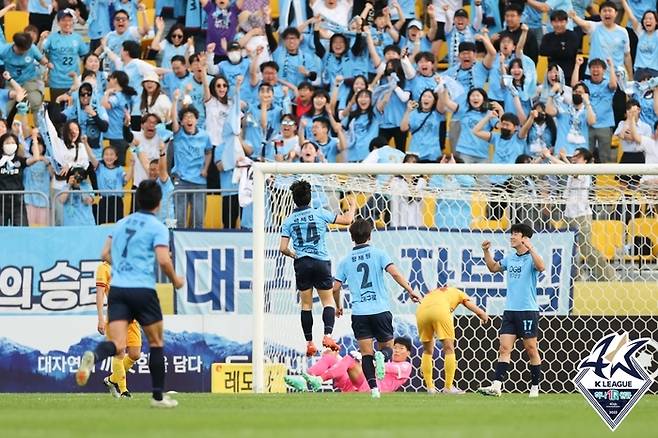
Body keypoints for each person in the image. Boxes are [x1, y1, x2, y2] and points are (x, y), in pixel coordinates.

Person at [76, 180, 185, 408]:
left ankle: (94, 358)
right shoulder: (157, 227)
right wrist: (176, 280)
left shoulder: (121, 224)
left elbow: (104, 252)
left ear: (137, 200)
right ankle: (157, 397)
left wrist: (123, 266)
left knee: (117, 344)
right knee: (156, 343)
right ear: (158, 203)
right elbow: (164, 260)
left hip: (119, 291)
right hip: (143, 290)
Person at [333, 218, 421, 398]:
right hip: (380, 310)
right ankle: (383, 356)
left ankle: (374, 389)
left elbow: (335, 287)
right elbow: (395, 273)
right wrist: (410, 290)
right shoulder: (379, 253)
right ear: (370, 235)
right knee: (387, 347)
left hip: (360, 313)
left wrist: (338, 305)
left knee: (366, 354)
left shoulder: (345, 261)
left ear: (351, 237)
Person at [279, 180, 356, 356]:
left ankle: (309, 343)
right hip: (321, 262)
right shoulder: (320, 213)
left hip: (302, 263)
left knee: (306, 305)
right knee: (328, 302)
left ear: (294, 199)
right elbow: (347, 220)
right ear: (310, 197)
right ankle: (327, 335)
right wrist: (351, 206)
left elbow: (282, 248)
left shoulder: (289, 221)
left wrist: (294, 255)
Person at [478, 223, 545, 398]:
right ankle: (497, 386)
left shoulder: (532, 257)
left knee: (531, 349)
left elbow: (541, 267)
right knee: (504, 348)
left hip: (527, 310)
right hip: (510, 310)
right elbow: (493, 268)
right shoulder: (510, 257)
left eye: (516, 234)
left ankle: (535, 387)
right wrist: (486, 251)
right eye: (512, 234)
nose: (512, 237)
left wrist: (531, 249)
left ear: (524, 238)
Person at [417, 285, 489, 394]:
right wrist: (482, 314)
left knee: (427, 350)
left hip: (421, 312)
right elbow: (468, 304)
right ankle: (448, 387)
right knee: (449, 348)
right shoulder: (458, 292)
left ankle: (430, 387)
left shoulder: (433, 292)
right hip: (440, 311)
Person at [285, 337, 413, 393]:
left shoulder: (406, 366)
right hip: (355, 384)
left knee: (349, 360)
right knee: (331, 356)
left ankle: (318, 380)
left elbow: (385, 368)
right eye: (395, 347)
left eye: (401, 348)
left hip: (370, 388)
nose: (396, 350)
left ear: (408, 352)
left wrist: (365, 360)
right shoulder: (386, 360)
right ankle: (304, 379)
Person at [95, 259, 141, 399]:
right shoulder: (104, 268)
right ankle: (123, 391)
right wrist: (101, 318)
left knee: (135, 354)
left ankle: (111, 380)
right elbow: (100, 293)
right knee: (119, 353)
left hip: (132, 318)